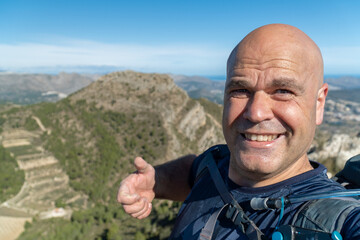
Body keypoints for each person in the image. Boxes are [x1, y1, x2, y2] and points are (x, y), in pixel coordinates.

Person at [117, 24, 360, 239]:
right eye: (240, 90)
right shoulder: (216, 162)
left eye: (283, 91)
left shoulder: (338, 220)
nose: (255, 112)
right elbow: (193, 172)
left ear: (319, 104)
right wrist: (157, 181)